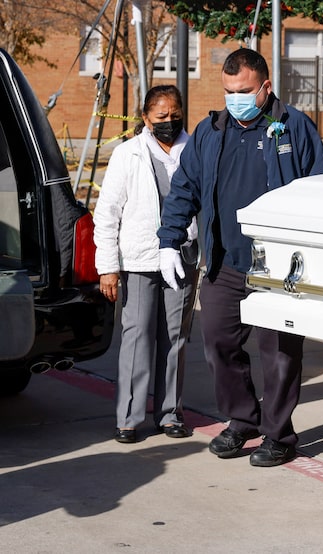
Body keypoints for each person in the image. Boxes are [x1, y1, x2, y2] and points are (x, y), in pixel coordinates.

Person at [157, 48, 323, 467]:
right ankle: (242, 419)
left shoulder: (294, 128)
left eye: (244, 90)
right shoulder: (210, 131)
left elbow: (322, 190)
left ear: (265, 88)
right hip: (226, 261)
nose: (235, 98)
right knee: (218, 342)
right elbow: (185, 188)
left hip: (280, 269)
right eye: (228, 91)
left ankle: (279, 434)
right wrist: (169, 239)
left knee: (280, 354)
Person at [93, 85, 198, 444]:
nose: (170, 122)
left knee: (175, 337)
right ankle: (129, 416)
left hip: (183, 257)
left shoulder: (195, 149)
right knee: (137, 335)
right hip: (139, 258)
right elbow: (107, 212)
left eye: (175, 115)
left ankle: (170, 413)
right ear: (145, 118)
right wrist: (107, 265)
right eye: (161, 117)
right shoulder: (128, 154)